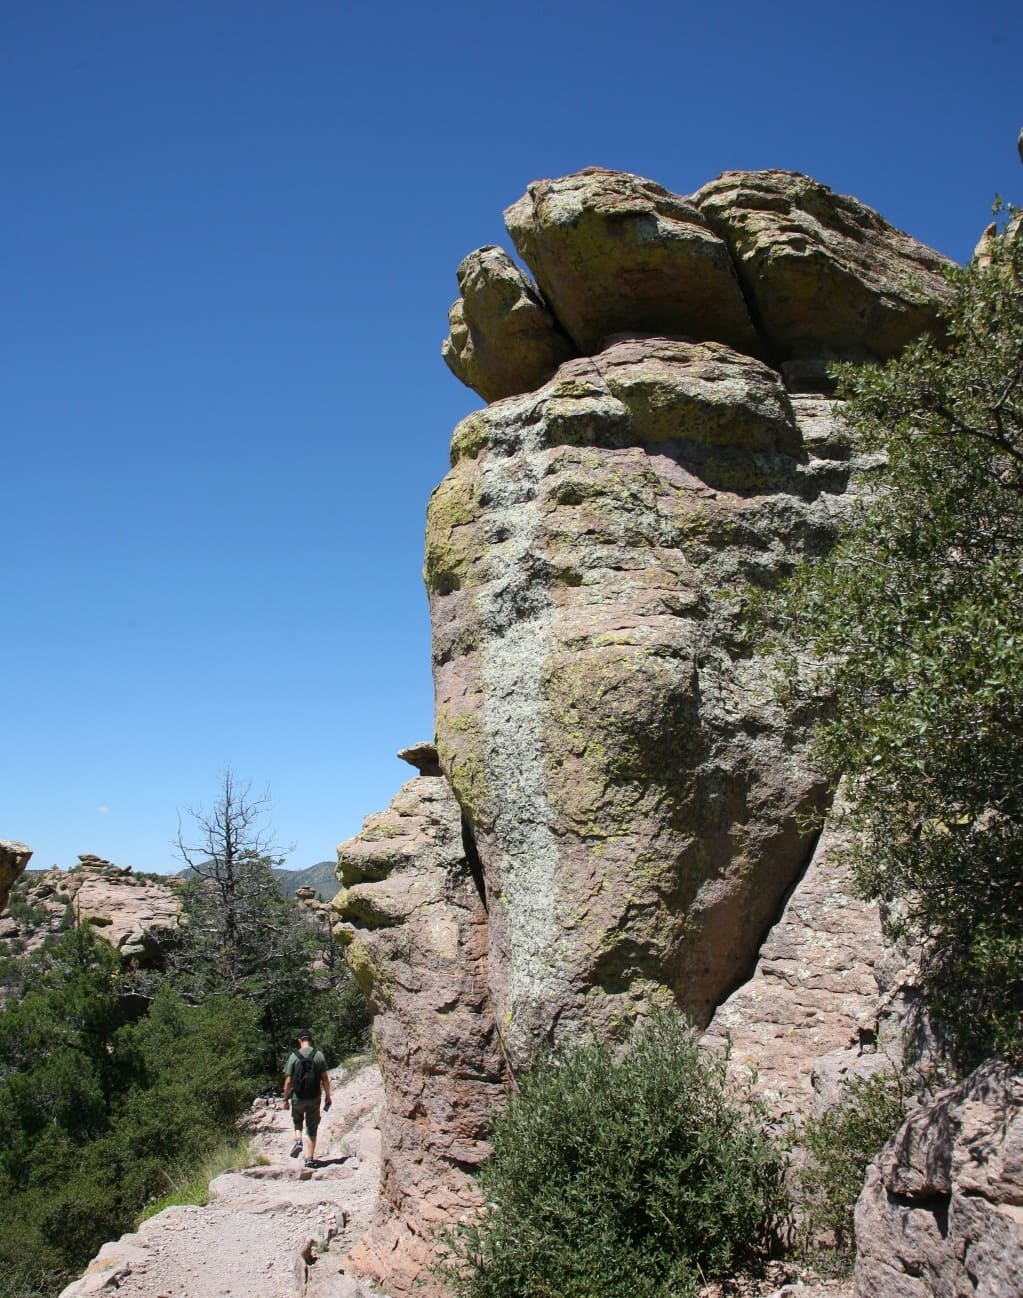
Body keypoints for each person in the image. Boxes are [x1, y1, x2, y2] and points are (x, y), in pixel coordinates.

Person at [282, 1030, 331, 1167]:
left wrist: (285, 1099)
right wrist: (327, 1095)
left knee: (297, 1120)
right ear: (311, 1040)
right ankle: (309, 1159)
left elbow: (288, 1081)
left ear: (299, 1041)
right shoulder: (318, 1055)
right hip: (314, 1097)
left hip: (297, 1097)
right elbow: (325, 1079)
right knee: (312, 1127)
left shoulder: (293, 1056)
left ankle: (298, 1140)